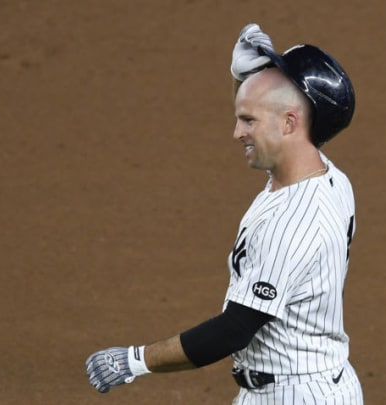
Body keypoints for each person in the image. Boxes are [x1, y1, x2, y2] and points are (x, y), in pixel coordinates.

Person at [85, 23, 364, 404]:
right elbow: (276, 119)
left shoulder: (292, 224)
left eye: (248, 121)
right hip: (295, 385)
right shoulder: (323, 174)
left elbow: (234, 329)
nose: (237, 133)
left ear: (289, 123)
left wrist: (135, 360)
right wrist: (245, 79)